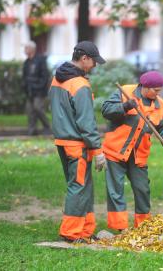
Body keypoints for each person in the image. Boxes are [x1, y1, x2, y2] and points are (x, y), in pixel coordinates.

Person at [101, 71, 163, 231]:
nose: (158, 94)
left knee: (142, 188)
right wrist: (125, 106)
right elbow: (106, 110)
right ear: (145, 87)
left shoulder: (160, 105)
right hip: (116, 150)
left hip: (138, 154)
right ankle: (120, 227)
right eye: (156, 90)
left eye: (159, 91)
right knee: (116, 190)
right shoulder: (124, 92)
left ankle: (143, 226)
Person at [49, 41, 107, 243]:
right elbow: (86, 121)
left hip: (62, 140)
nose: (95, 66)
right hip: (77, 143)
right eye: (94, 62)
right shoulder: (80, 84)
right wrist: (98, 150)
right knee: (79, 186)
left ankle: (85, 230)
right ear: (84, 59)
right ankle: (71, 233)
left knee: (83, 186)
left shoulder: (58, 78)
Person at [22, 41, 51, 135]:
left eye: (26, 48)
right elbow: (25, 76)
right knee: (30, 110)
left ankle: (47, 127)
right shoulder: (26, 62)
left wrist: (39, 87)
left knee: (38, 108)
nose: (25, 50)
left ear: (32, 49)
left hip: (39, 91)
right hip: (29, 91)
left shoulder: (40, 60)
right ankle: (32, 130)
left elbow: (45, 76)